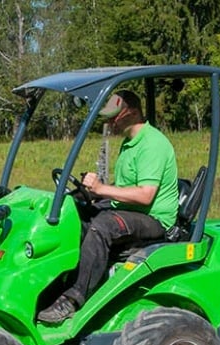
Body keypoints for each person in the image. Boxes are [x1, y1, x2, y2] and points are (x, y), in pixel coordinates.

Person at [37, 90, 179, 324]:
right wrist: (92, 195)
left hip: (154, 219)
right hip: (131, 211)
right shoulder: (129, 142)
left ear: (132, 113)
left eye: (114, 116)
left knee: (102, 226)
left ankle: (73, 299)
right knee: (73, 214)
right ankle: (55, 285)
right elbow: (125, 188)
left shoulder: (152, 144)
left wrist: (102, 189)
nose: (109, 122)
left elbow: (145, 195)